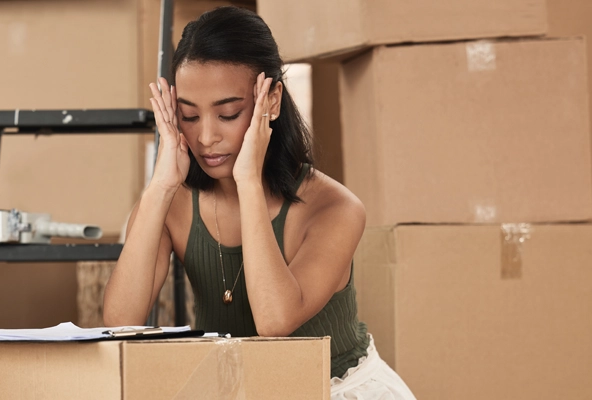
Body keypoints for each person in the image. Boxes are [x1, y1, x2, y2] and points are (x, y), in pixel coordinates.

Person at [103, 6, 415, 398]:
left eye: (228, 114)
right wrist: (162, 185)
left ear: (272, 100)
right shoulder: (175, 201)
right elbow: (120, 321)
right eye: (189, 116)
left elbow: (274, 322)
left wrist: (248, 180)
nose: (206, 137)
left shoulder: (335, 208)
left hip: (333, 390)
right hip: (237, 390)